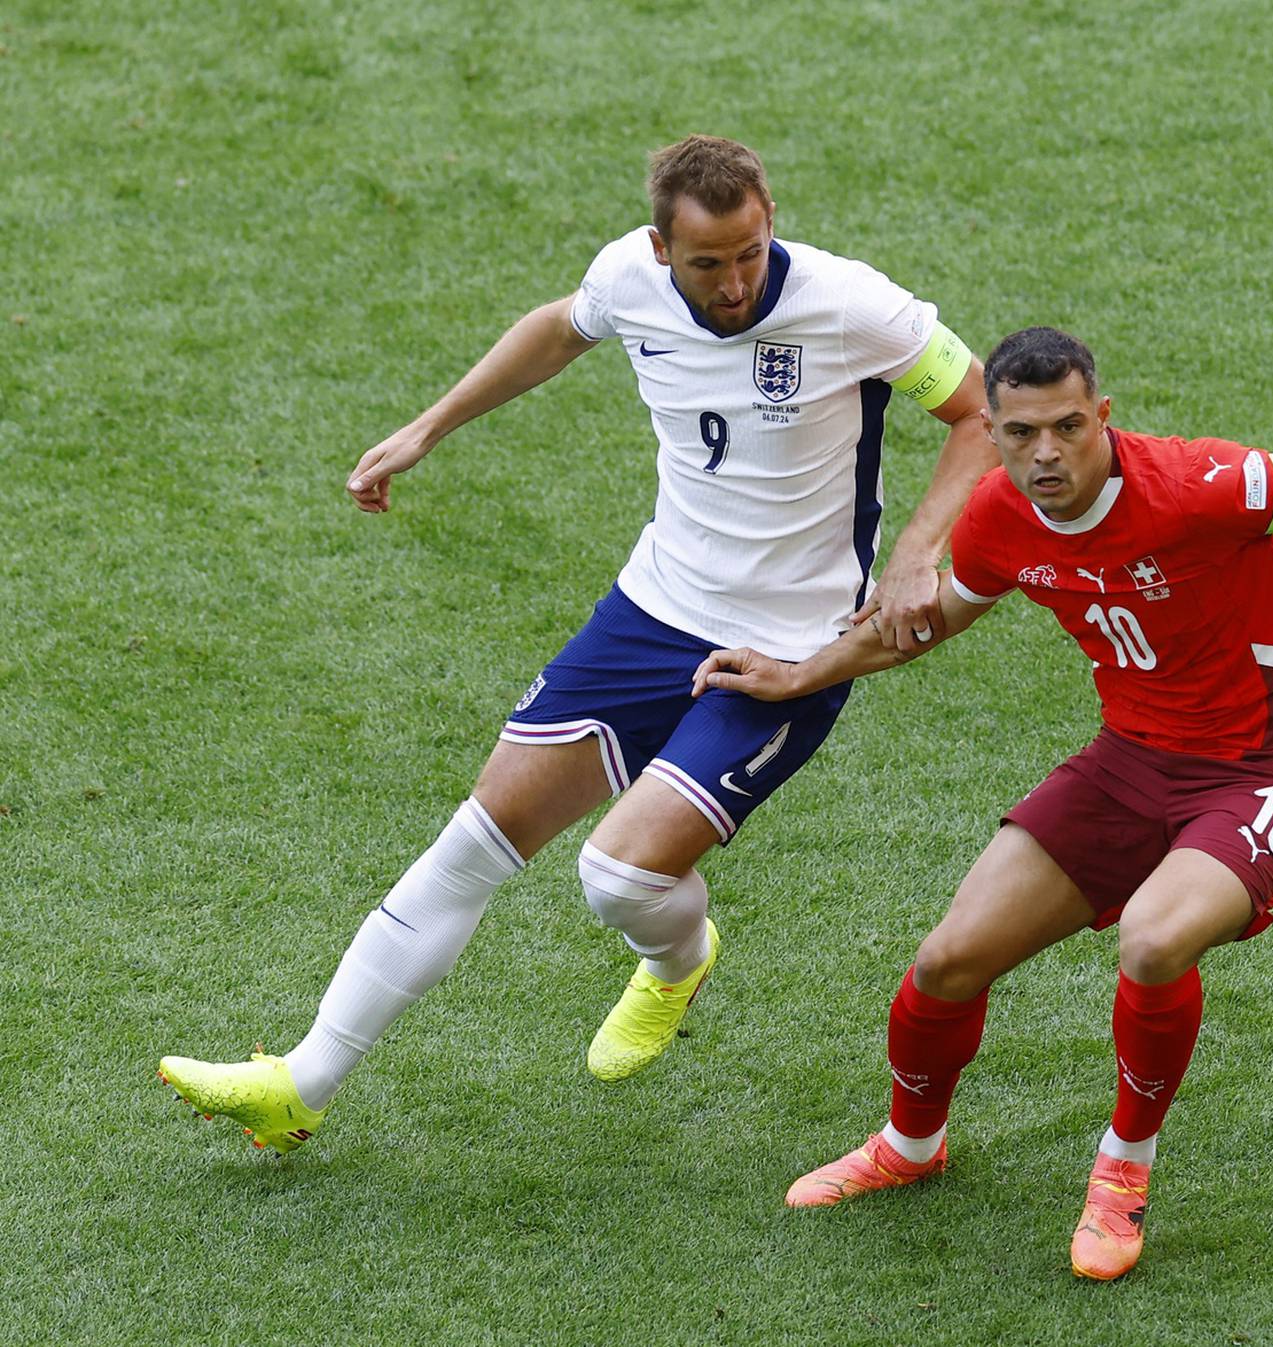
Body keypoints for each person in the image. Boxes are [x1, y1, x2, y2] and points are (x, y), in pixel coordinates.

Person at [693, 326, 1273, 1279]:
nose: (1045, 453)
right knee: (947, 959)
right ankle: (909, 1144)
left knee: (1152, 937)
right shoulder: (998, 518)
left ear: (1103, 417)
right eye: (1019, 434)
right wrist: (797, 675)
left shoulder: (1204, 486)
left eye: (1067, 426)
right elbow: (921, 626)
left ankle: (1122, 1170)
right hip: (1131, 761)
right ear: (996, 433)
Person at [157, 134, 997, 1154]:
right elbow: (559, 329)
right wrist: (429, 429)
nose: (735, 284)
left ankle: (678, 957)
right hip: (651, 611)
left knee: (620, 880)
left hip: (791, 647)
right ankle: (303, 1084)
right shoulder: (625, 279)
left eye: (749, 252)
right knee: (478, 838)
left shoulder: (850, 302)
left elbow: (980, 408)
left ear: (769, 217)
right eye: (706, 264)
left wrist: (917, 550)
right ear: (658, 248)